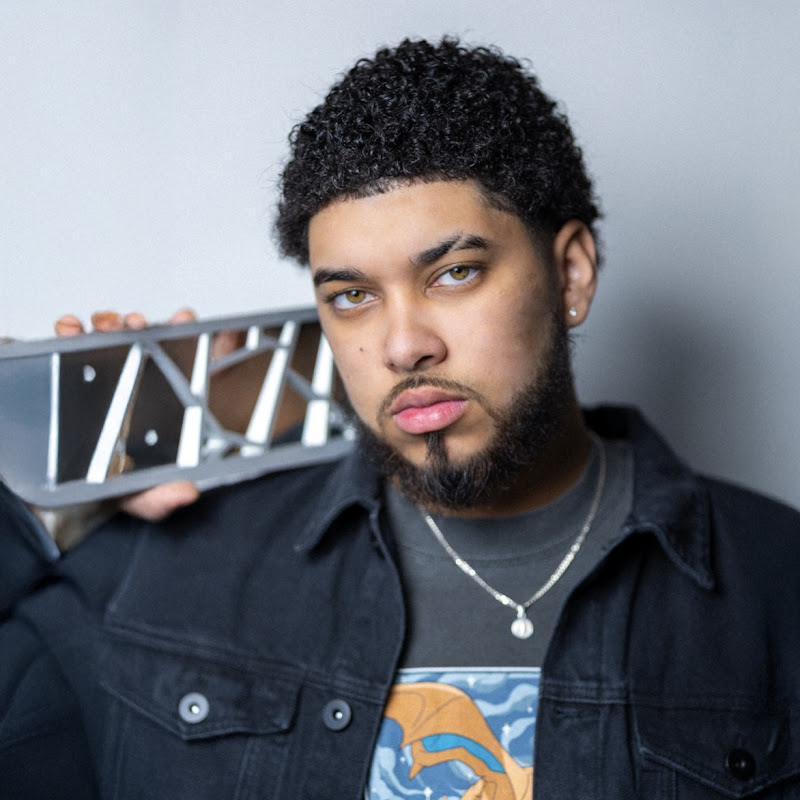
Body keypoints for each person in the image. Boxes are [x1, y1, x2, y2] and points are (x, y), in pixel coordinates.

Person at [2, 37, 799, 800]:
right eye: (352, 296)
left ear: (570, 274)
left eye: (454, 273)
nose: (402, 345)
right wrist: (34, 497)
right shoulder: (159, 573)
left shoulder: (777, 584)